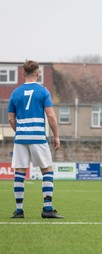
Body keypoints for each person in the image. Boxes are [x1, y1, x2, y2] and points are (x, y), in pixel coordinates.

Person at [8, 60, 63, 218]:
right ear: (38, 73)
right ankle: (47, 209)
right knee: (47, 169)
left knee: (19, 171)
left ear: (23, 73)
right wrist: (56, 136)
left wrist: (20, 131)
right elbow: (51, 115)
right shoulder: (43, 91)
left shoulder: (15, 93)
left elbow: (11, 119)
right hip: (38, 136)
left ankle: (19, 211)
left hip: (21, 138)